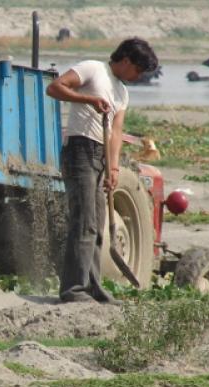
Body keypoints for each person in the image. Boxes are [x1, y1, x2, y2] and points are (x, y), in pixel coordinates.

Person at [45, 38, 158, 304]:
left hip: (100, 155)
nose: (138, 77)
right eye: (138, 70)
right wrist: (87, 99)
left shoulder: (122, 92)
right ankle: (73, 289)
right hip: (80, 150)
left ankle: (93, 286)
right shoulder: (93, 69)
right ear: (127, 60)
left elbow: (116, 132)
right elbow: (54, 87)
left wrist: (113, 166)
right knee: (83, 222)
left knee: (96, 226)